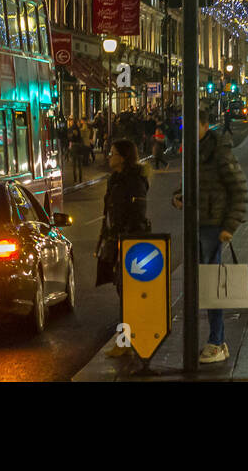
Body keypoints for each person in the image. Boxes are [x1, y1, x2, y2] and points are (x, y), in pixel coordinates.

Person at [173, 107, 248, 364]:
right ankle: (216, 341)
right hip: (198, 223)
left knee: (211, 284)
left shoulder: (218, 153)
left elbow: (239, 189)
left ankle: (216, 341)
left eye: (192, 126)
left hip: (213, 227)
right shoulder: (196, 152)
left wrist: (229, 226)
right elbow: (193, 184)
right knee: (199, 283)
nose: (186, 132)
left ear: (205, 125)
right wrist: (180, 196)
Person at [97, 138, 151, 357]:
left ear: (123, 157)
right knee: (123, 290)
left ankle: (128, 339)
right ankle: (128, 338)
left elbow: (138, 212)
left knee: (129, 292)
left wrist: (125, 237)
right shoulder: (116, 179)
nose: (109, 157)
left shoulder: (134, 180)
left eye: (113, 153)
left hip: (131, 241)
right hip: (118, 239)